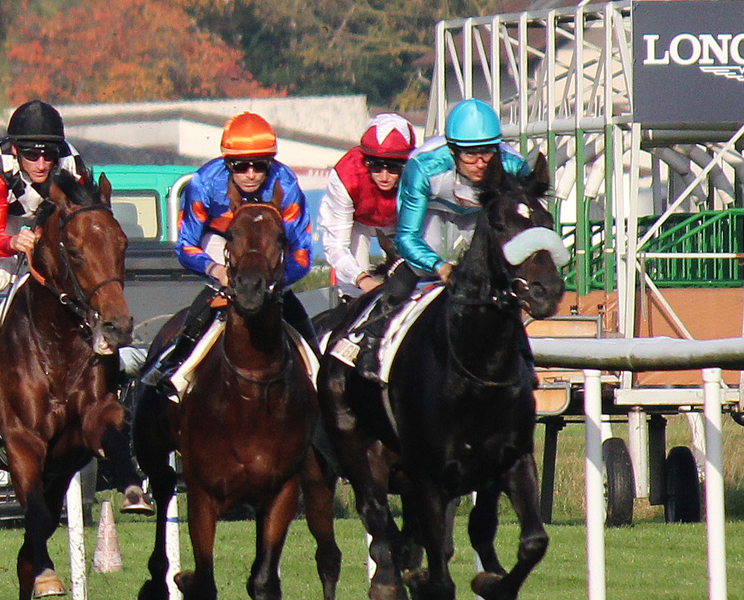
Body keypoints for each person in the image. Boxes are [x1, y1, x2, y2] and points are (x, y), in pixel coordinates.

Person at [339, 98, 527, 378]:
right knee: (417, 268)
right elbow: (406, 236)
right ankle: (371, 339)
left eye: (487, 152)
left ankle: (522, 351)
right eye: (469, 154)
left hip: (484, 212)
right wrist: (439, 266)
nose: (479, 164)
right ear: (452, 150)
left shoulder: (514, 167)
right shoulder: (423, 166)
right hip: (434, 209)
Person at [137, 111, 315, 392]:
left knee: (290, 306)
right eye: (241, 166)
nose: (251, 174)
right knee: (218, 293)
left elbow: (302, 253)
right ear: (227, 163)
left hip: (268, 250)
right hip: (223, 243)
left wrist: (276, 281)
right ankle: (173, 362)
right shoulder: (204, 183)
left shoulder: (286, 184)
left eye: (260, 165)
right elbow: (186, 244)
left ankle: (317, 369)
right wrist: (215, 270)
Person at [0, 100, 75, 392]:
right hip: (8, 221)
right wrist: (13, 242)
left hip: (52, 220)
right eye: (32, 155)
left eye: (49, 155)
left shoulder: (71, 167)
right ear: (16, 150)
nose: (42, 164)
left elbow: (79, 224)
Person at [315, 114, 415, 300]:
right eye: (376, 167)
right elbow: (336, 246)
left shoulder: (418, 173)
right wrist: (362, 279)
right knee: (355, 289)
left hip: (398, 221)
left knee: (410, 278)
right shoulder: (346, 175)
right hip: (356, 220)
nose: (384, 176)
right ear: (366, 162)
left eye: (393, 168)